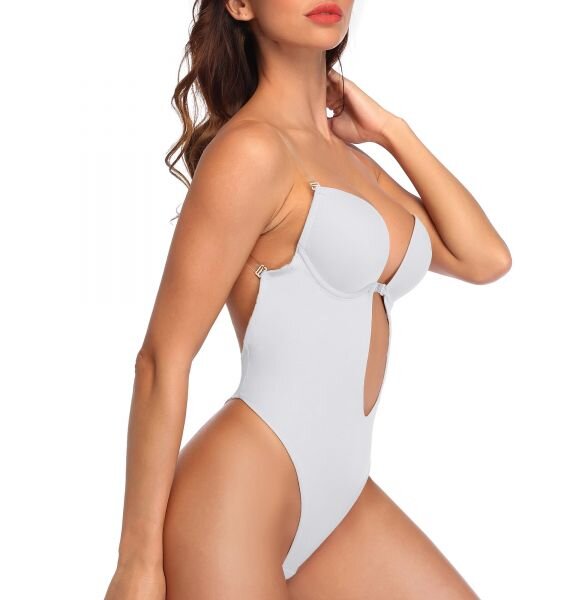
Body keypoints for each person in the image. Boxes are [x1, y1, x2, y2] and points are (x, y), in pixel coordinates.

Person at [104, 0, 511, 598]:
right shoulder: (252, 152)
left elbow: (484, 258)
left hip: (341, 495)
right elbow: (162, 359)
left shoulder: (354, 164)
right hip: (237, 498)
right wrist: (137, 564)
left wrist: (391, 131)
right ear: (240, 4)